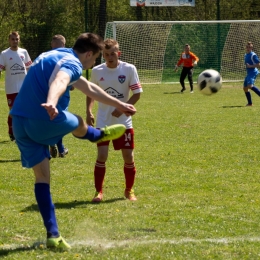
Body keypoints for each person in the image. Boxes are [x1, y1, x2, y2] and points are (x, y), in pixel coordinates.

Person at [10, 33, 136, 250]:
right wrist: (51, 102)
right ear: (88, 53)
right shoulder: (72, 62)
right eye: (95, 58)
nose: (94, 62)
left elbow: (89, 88)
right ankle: (97, 135)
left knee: (42, 178)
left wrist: (120, 104)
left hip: (19, 121)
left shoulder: (52, 54)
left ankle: (53, 235)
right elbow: (61, 81)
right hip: (44, 117)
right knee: (77, 120)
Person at [87, 38, 143, 203]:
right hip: (103, 120)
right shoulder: (97, 71)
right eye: (106, 54)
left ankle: (129, 190)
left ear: (119, 53)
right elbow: (91, 93)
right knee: (102, 156)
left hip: (123, 121)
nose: (110, 57)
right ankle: (99, 192)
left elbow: (137, 93)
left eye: (113, 54)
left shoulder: (129, 69)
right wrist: (89, 111)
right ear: (103, 55)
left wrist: (123, 108)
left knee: (128, 157)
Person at [0, 31, 32, 141]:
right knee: (13, 112)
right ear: (9, 40)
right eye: (13, 39)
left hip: (24, 87)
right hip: (11, 88)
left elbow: (29, 67)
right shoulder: (4, 54)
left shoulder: (24, 52)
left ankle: (24, 132)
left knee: (26, 110)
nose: (15, 41)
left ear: (19, 40)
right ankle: (11, 130)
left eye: (17, 39)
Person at [49, 34, 72, 158]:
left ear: (52, 44)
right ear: (64, 44)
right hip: (63, 94)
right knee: (60, 121)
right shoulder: (68, 56)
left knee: (50, 120)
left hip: (48, 94)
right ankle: (61, 148)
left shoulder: (45, 57)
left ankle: (52, 144)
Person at [243, 41, 260, 106]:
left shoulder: (253, 55)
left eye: (249, 47)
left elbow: (258, 64)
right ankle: (250, 103)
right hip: (249, 73)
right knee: (245, 88)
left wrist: (250, 66)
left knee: (250, 86)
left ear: (251, 48)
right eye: (247, 47)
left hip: (253, 72)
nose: (248, 48)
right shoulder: (246, 55)